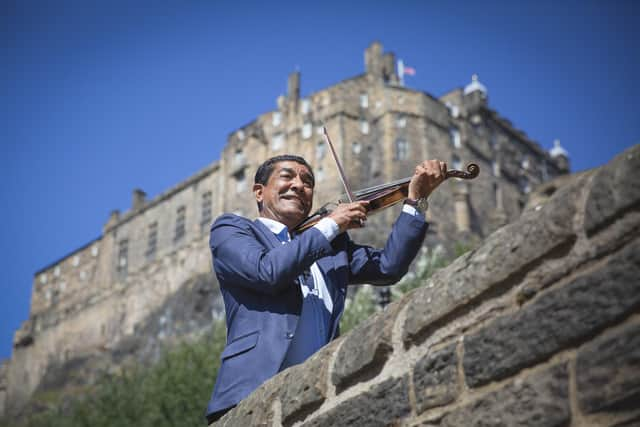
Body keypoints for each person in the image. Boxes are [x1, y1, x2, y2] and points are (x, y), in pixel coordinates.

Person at [205, 154, 447, 424]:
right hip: (250, 395)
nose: (299, 185)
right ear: (259, 192)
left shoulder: (332, 247)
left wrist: (415, 201)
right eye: (287, 177)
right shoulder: (232, 230)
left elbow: (388, 267)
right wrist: (330, 224)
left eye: (307, 181)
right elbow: (268, 272)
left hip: (318, 399)